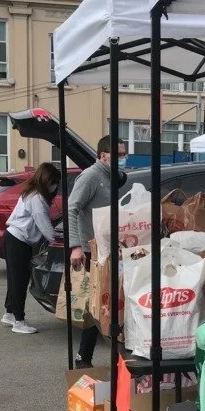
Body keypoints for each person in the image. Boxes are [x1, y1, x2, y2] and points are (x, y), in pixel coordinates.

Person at [68, 134, 127, 367]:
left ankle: (118, 357)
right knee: (98, 303)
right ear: (103, 156)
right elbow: (72, 208)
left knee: (111, 302)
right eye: (119, 154)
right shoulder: (91, 176)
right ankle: (84, 357)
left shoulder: (111, 176)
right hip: (92, 251)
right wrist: (76, 247)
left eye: (124, 154)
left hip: (109, 249)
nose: (123, 158)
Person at [2, 162, 60, 334]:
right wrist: (57, 242)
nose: (54, 186)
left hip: (14, 238)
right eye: (54, 182)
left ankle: (10, 313)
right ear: (46, 180)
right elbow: (45, 228)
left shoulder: (31, 193)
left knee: (14, 279)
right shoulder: (37, 199)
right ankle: (18, 322)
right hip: (18, 241)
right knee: (19, 281)